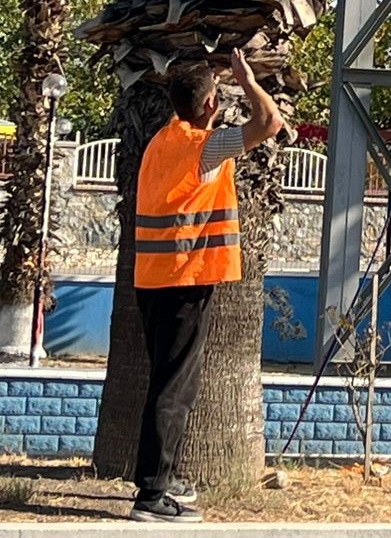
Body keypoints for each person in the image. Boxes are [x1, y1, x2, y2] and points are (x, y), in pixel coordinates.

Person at [128, 50, 284, 523]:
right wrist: (250, 81)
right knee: (173, 388)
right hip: (184, 279)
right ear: (212, 103)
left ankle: (162, 474)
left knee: (167, 382)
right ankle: (151, 496)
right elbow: (270, 122)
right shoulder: (205, 148)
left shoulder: (161, 140)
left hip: (153, 278)